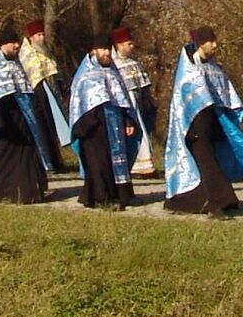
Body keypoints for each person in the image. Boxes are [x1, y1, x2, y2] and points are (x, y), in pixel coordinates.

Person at [165, 27, 243, 217]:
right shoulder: (189, 69)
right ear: (201, 43)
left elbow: (225, 94)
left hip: (214, 124)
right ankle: (220, 204)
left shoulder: (214, 68)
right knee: (208, 166)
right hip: (194, 127)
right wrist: (192, 127)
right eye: (211, 41)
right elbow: (183, 102)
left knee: (208, 166)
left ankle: (185, 202)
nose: (215, 45)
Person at [0, 26, 50, 204]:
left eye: (17, 42)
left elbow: (25, 91)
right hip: (4, 120)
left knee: (27, 153)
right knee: (3, 156)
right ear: (2, 45)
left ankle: (27, 193)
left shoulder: (17, 64)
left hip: (22, 117)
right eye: (12, 43)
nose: (16, 46)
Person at [66, 40, 139, 210]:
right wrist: (91, 122)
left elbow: (122, 100)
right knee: (98, 163)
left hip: (114, 124)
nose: (107, 53)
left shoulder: (113, 73)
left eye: (109, 49)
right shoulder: (85, 74)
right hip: (93, 126)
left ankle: (117, 194)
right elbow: (80, 102)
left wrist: (128, 120)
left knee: (115, 161)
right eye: (103, 49)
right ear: (93, 51)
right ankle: (101, 197)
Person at [20, 20, 72, 171]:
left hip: (49, 92)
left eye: (42, 34)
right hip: (37, 95)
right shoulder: (27, 54)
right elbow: (31, 75)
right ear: (31, 37)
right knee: (43, 128)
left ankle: (57, 160)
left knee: (53, 127)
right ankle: (48, 161)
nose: (41, 38)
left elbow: (53, 71)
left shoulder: (45, 51)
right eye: (38, 35)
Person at [112, 27, 159, 179]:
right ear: (119, 45)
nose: (132, 46)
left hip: (137, 104)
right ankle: (132, 165)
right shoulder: (113, 65)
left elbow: (143, 86)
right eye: (129, 43)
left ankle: (144, 166)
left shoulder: (134, 63)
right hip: (124, 105)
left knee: (141, 132)